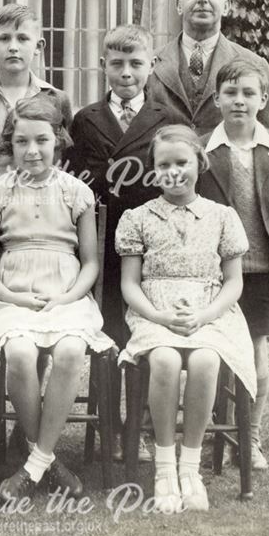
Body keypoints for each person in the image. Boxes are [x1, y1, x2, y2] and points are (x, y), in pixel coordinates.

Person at [0, 95, 114, 501]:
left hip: (67, 293)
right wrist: (10, 296)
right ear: (10, 145)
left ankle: (33, 464)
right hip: (12, 293)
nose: (32, 151)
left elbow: (89, 262)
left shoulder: (77, 192)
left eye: (41, 141)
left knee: (70, 350)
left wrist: (68, 296)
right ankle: (49, 461)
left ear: (58, 141)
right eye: (21, 142)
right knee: (18, 352)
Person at [116, 125, 256, 513]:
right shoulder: (138, 218)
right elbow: (129, 284)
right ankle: (164, 467)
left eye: (182, 162)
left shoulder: (222, 216)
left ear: (201, 162)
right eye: (164, 165)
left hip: (210, 310)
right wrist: (158, 315)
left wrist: (206, 315)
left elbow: (233, 283)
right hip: (153, 311)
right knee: (163, 358)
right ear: (152, 170)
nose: (174, 172)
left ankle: (189, 467)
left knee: (206, 358)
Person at [198, 58, 269, 470]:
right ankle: (219, 434)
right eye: (231, 93)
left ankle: (251, 436)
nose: (239, 101)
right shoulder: (203, 148)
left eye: (248, 93)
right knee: (216, 356)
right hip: (215, 270)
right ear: (217, 99)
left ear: (264, 99)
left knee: (256, 356)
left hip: (262, 269)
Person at [65, 24, 176, 346]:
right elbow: (76, 182)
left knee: (148, 320)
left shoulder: (166, 119)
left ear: (151, 65)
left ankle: (145, 395)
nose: (126, 73)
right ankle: (107, 395)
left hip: (152, 235)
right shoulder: (86, 119)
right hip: (103, 232)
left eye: (136, 64)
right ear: (103, 65)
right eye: (117, 64)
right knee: (108, 321)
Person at [0, 3, 73, 203]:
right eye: (4, 38)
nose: (13, 47)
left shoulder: (56, 99)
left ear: (39, 47)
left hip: (41, 202)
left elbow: (65, 156)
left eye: (23, 38)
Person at [148, 0, 269, 134]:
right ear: (179, 5)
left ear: (226, 6)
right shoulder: (150, 65)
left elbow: (268, 141)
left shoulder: (255, 64)